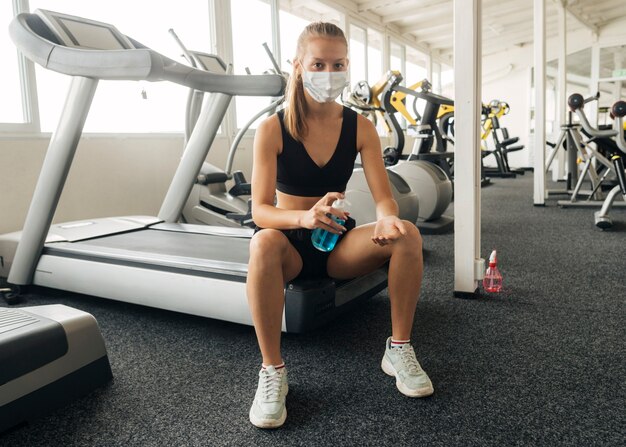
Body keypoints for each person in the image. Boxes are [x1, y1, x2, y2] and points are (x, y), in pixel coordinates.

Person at [247, 21, 432, 429]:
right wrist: (303, 216)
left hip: (335, 243)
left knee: (408, 236)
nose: (329, 74)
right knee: (261, 245)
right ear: (298, 65)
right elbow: (260, 211)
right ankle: (272, 371)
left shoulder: (360, 126)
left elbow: (384, 196)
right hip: (287, 242)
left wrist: (387, 218)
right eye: (319, 63)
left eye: (338, 64)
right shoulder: (272, 129)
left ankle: (398, 348)